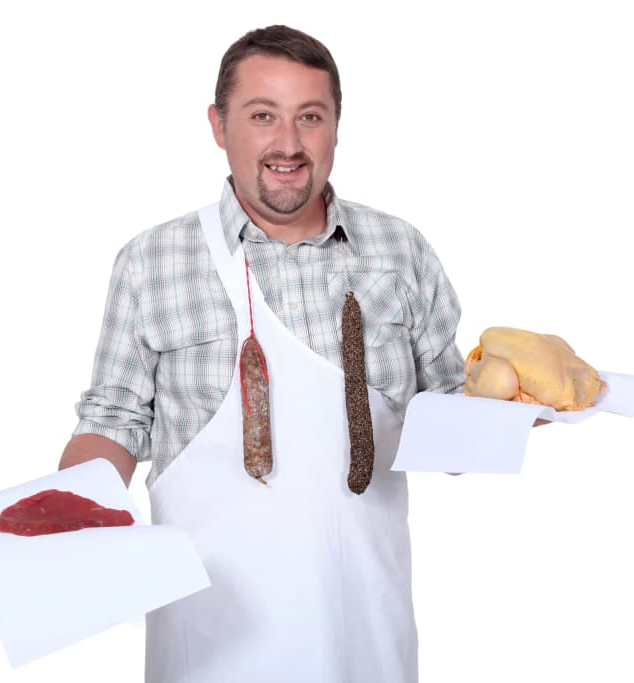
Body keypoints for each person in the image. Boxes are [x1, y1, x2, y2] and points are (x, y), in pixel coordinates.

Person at [59, 25, 465, 683]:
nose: (288, 143)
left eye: (310, 117)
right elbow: (112, 423)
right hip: (210, 653)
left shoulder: (400, 251)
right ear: (219, 126)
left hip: (370, 644)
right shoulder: (152, 261)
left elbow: (450, 425)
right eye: (262, 116)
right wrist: (61, 514)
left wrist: (516, 413)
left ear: (336, 125)